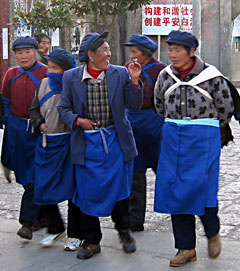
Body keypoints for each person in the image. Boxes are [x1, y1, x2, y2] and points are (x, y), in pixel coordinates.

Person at [58, 31, 143, 259]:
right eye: (104, 50)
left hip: (115, 141)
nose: (109, 53)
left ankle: (125, 233)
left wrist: (135, 81)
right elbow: (63, 109)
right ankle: (92, 241)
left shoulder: (120, 74)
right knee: (87, 193)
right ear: (90, 55)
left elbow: (134, 106)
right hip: (86, 144)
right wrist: (79, 121)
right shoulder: (71, 78)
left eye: (108, 49)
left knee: (119, 190)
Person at [153, 30, 234, 267]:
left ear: (191, 51)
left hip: (203, 141)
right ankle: (186, 248)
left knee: (203, 189)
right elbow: (158, 105)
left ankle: (212, 233)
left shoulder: (212, 77)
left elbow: (226, 109)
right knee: (175, 192)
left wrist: (203, 128)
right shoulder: (165, 76)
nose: (173, 54)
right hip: (172, 139)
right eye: (170, 49)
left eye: (178, 50)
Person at [29, 48, 84, 250]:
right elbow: (34, 109)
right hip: (46, 144)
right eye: (49, 67)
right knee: (43, 186)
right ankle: (55, 227)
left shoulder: (76, 86)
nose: (50, 71)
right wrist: (39, 124)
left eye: (55, 68)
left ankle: (75, 234)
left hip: (69, 145)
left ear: (67, 70)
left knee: (72, 190)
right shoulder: (43, 84)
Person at [1, 36, 48, 240]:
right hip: (16, 130)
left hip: (38, 131)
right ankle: (42, 217)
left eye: (27, 52)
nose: (23, 56)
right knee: (23, 174)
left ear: (35, 52)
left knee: (34, 177)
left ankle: (27, 222)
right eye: (19, 53)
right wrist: (7, 121)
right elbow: (4, 100)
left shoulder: (45, 72)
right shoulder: (11, 74)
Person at [123, 34, 166, 231]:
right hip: (132, 124)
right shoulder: (127, 69)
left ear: (146, 54)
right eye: (131, 52)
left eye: (135, 52)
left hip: (155, 124)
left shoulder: (162, 71)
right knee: (135, 174)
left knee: (165, 171)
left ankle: (176, 209)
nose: (132, 56)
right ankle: (135, 219)